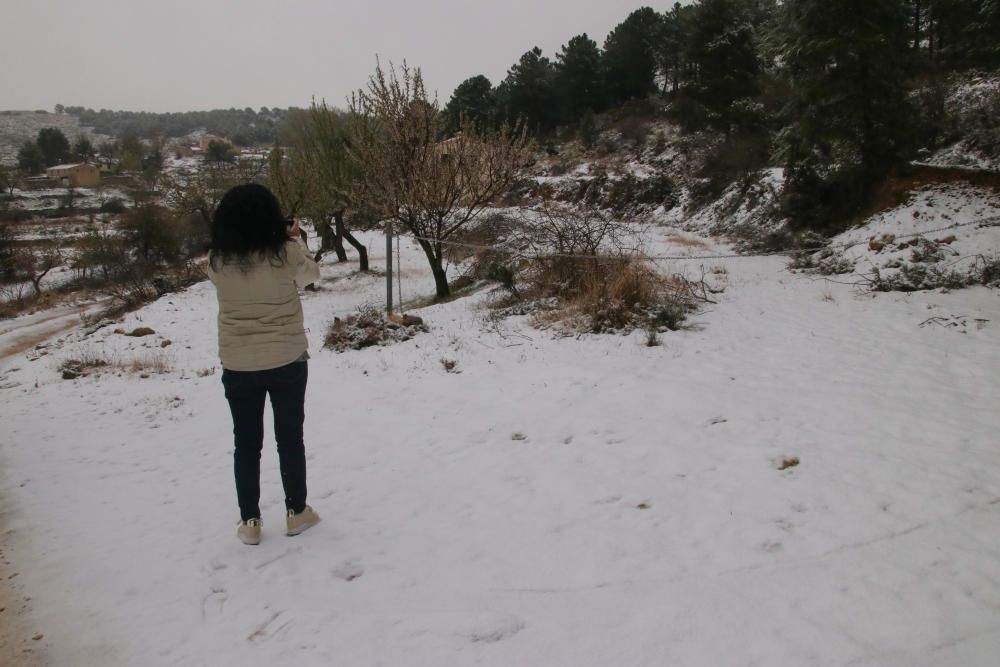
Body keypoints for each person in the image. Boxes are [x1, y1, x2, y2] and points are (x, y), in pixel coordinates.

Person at [207, 183, 321, 545]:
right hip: (286, 358)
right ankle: (297, 512)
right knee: (289, 438)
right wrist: (295, 238)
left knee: (246, 443)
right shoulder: (285, 253)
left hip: (238, 363)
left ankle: (250, 522)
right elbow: (311, 276)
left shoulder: (217, 260)